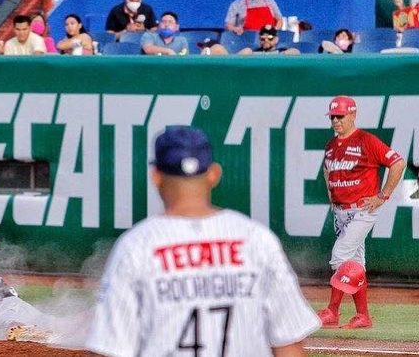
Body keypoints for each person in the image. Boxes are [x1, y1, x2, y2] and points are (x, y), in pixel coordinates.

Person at [86, 125, 321, 357]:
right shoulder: (257, 239)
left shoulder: (136, 246)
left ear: (155, 176)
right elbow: (289, 346)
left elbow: (111, 349)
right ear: (214, 174)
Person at [315, 96, 405, 329]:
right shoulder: (331, 146)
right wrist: (333, 198)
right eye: (333, 116)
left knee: (339, 257)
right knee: (356, 265)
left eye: (340, 116)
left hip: (362, 210)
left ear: (353, 115)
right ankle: (363, 315)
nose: (336, 121)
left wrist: (382, 195)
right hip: (342, 213)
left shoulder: (366, 140)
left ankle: (332, 311)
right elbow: (327, 171)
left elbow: (398, 163)